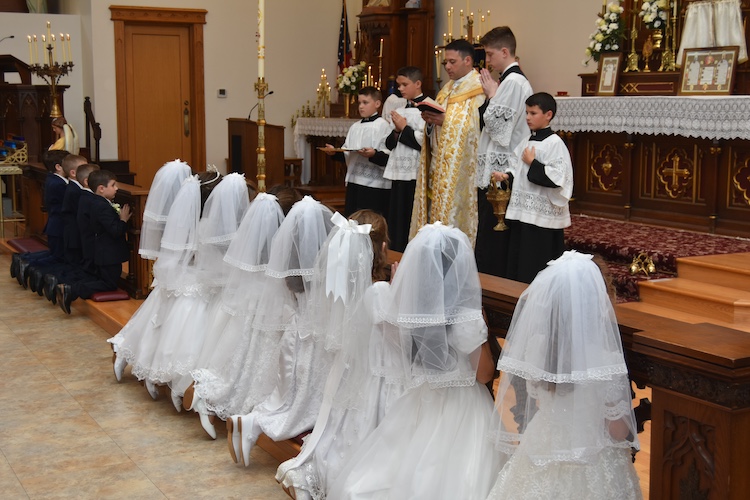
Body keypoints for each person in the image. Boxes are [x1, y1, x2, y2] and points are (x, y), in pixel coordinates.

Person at [328, 222, 500, 499]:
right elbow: (483, 374)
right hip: (463, 407)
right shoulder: (465, 318)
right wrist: (484, 331)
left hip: (422, 399)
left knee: (400, 464)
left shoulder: (412, 311)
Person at [487, 250, 642, 499]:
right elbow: (618, 430)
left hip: (543, 439)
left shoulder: (538, 345)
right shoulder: (604, 357)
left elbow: (536, 395)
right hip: (592, 453)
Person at [275, 209, 400, 499]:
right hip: (377, 378)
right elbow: (397, 341)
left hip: (349, 373)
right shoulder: (380, 291)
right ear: (383, 247)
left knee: (342, 433)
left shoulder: (342, 288)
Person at [223, 196, 334, 466]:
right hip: (314, 341)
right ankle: (255, 423)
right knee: (303, 404)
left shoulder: (292, 268)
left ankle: (251, 421)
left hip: (295, 335)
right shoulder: (325, 269)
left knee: (288, 396)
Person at [187, 186, 301, 437]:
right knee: (258, 358)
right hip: (272, 301)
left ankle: (209, 393)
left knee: (243, 355)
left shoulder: (257, 233)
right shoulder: (284, 237)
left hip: (251, 297)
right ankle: (214, 396)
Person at [410, 39, 486, 246]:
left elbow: (477, 128)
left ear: (468, 60)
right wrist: (430, 122)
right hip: (438, 165)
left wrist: (446, 121)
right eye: (446, 63)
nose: (448, 67)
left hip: (459, 171)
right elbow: (439, 122)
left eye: (452, 62)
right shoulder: (447, 89)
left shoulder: (479, 89)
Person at [496, 92, 573, 283]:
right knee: (520, 257)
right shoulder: (526, 141)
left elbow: (558, 178)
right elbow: (516, 167)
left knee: (536, 260)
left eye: (533, 113)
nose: (528, 117)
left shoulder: (555, 143)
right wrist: (506, 176)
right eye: (527, 113)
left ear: (548, 115)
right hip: (523, 212)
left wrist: (533, 163)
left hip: (542, 218)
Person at [475, 27, 533, 277]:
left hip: (501, 170)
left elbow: (500, 132)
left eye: (490, 54)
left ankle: (493, 283)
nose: (488, 61)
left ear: (505, 52)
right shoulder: (508, 82)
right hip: (496, 167)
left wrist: (491, 96)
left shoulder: (514, 83)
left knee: (495, 235)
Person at [56, 170, 132, 313]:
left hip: (103, 252)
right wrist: (123, 220)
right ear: (101, 188)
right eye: (113, 185)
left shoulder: (96, 202)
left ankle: (69, 288)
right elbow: (115, 231)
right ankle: (70, 289)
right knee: (109, 284)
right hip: (108, 254)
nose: (116, 188)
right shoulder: (101, 206)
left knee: (104, 279)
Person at [323, 86, 391, 217]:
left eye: (365, 102)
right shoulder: (355, 126)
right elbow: (347, 152)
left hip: (374, 185)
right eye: (359, 103)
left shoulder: (383, 125)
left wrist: (373, 154)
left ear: (377, 104)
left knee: (370, 220)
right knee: (353, 218)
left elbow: (388, 156)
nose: (361, 106)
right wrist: (335, 153)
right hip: (355, 181)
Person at [383, 66, 429, 252]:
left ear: (417, 84)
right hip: (398, 172)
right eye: (398, 85)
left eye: (404, 84)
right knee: (396, 218)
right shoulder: (400, 109)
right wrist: (396, 130)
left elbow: (426, 143)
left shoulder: (429, 108)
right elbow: (389, 144)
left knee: (410, 217)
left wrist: (404, 128)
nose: (400, 89)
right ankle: (395, 254)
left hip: (415, 173)